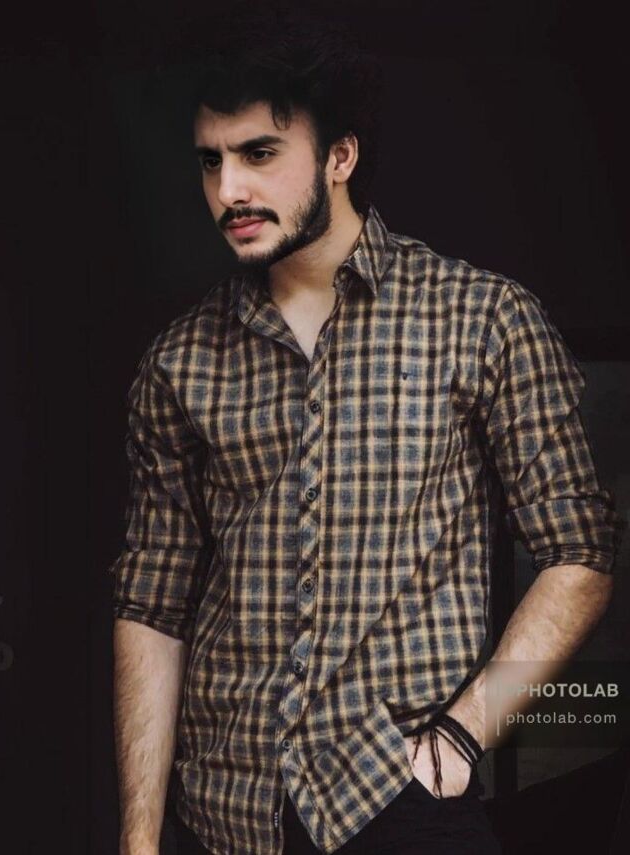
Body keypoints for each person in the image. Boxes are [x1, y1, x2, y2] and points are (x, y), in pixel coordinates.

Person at [107, 12, 626, 855]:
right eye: (211, 159)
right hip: (223, 810)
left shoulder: (482, 318)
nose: (228, 189)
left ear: (340, 157)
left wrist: (462, 734)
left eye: (259, 153)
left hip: (398, 797)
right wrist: (139, 839)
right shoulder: (179, 362)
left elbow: (580, 553)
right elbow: (152, 608)